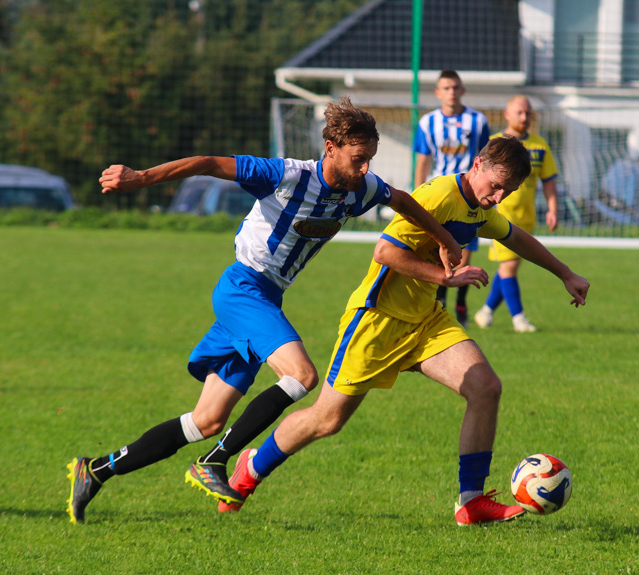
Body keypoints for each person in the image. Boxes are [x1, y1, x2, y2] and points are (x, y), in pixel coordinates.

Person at [65, 97, 462, 524]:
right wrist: (140, 177)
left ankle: (95, 470)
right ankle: (214, 463)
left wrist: (443, 239)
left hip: (267, 299)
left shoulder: (359, 189)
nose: (365, 169)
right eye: (358, 159)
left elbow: (402, 200)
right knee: (303, 375)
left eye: (369, 160)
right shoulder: (286, 175)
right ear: (330, 147)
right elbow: (207, 162)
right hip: (242, 288)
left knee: (207, 419)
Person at [219, 137, 590, 525]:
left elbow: (515, 237)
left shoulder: (478, 207)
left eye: (507, 192)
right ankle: (251, 468)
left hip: (425, 319)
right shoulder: (440, 195)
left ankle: (471, 501)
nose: (498, 197)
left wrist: (565, 274)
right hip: (376, 320)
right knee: (327, 420)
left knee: (485, 388)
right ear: (477, 165)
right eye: (495, 186)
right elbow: (385, 252)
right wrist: (444, 278)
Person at [474, 95, 560, 333]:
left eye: (528, 113)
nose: (525, 117)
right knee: (509, 267)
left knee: (507, 269)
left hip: (527, 217)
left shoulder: (540, 146)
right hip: (500, 216)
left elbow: (549, 180)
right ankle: (518, 318)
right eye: (519, 112)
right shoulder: (494, 144)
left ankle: (486, 311)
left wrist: (553, 208)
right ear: (507, 114)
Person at [414, 69, 491, 328]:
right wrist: (417, 197)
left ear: (462, 90)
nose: (451, 92)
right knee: (438, 250)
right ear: (438, 93)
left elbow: (485, 158)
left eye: (455, 87)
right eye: (446, 88)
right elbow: (423, 160)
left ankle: (460, 302)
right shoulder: (427, 123)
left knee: (465, 252)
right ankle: (443, 301)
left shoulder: (477, 121)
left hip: (468, 194)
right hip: (439, 193)